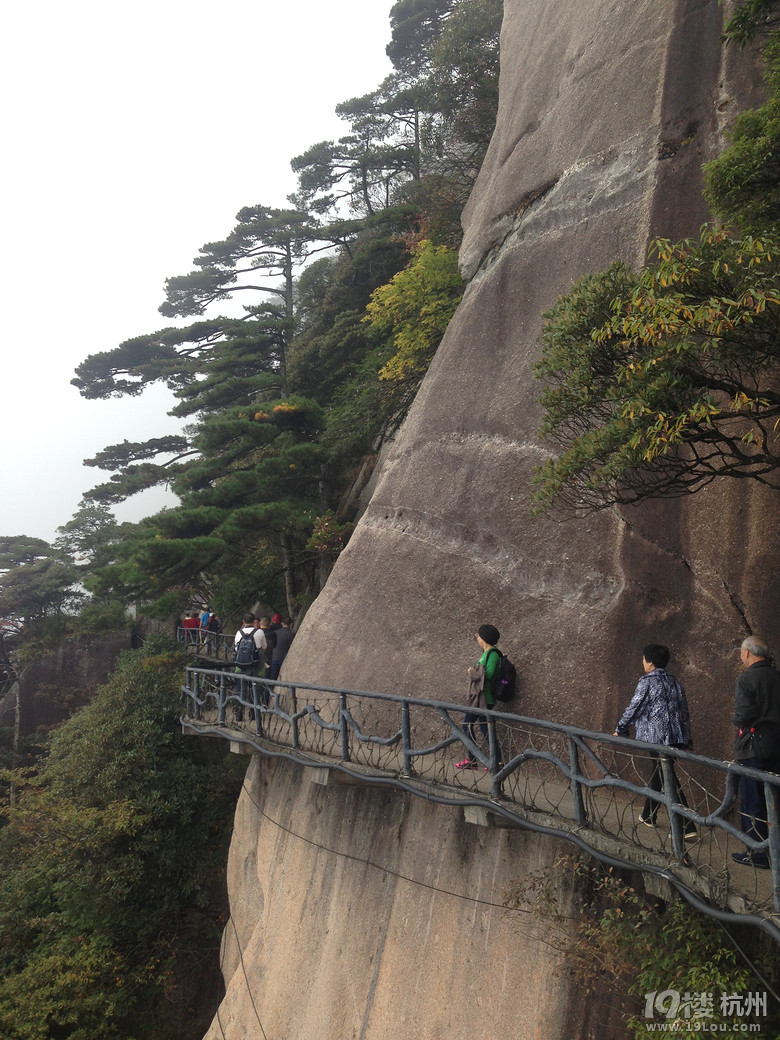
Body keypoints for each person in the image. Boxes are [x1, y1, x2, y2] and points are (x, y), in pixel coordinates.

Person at [614, 644, 696, 840]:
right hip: (675, 737)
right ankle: (648, 815)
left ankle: (687, 826)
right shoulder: (675, 682)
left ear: (650, 661)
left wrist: (620, 728)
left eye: (644, 659)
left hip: (656, 737)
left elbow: (635, 707)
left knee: (668, 778)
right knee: (660, 774)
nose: (642, 662)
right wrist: (686, 739)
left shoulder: (648, 682)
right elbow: (684, 713)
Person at [730, 636, 780, 869]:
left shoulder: (746, 679)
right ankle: (775, 850)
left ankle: (757, 854)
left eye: (741, 652)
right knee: (774, 799)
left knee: (752, 800)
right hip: (776, 745)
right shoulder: (776, 676)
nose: (741, 656)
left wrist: (735, 720)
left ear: (748, 653)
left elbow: (743, 714)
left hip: (754, 747)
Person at [457, 624, 503, 770]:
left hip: (484, 699)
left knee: (468, 725)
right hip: (480, 698)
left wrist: (472, 672)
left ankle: (476, 760)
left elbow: (487, 674)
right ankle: (494, 762)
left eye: (478, 635)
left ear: (484, 638)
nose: (477, 638)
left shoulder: (493, 654)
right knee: (483, 729)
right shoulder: (486, 653)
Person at [232, 614, 267, 720]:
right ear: (255, 622)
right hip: (255, 665)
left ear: (243, 621)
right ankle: (253, 714)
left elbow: (235, 649)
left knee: (240, 689)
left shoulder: (239, 633)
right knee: (254, 689)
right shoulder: (259, 632)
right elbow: (264, 647)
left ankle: (239, 714)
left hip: (241, 666)